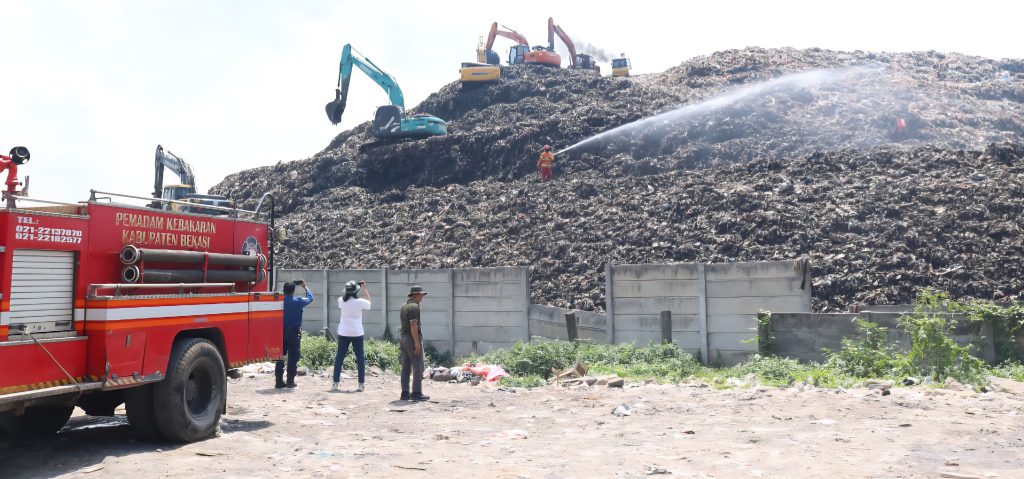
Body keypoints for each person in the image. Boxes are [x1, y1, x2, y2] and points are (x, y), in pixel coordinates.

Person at [332, 280, 371, 392]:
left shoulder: (341, 300)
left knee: (339, 357)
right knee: (360, 358)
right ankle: (361, 384)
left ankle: (335, 383)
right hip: (357, 332)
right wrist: (365, 289)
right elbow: (369, 303)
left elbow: (345, 298)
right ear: (356, 291)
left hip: (344, 332)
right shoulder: (360, 302)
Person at [276, 280, 313, 389]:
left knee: (280, 357)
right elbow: (310, 298)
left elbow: (283, 292)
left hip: (280, 332)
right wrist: (305, 287)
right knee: (293, 358)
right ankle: (290, 382)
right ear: (293, 291)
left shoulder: (279, 300)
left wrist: (291, 284)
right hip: (293, 333)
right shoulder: (299, 301)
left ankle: (278, 382)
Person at [399, 285, 430, 401]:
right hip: (411, 339)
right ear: (416, 295)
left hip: (403, 338)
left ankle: (405, 393)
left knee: (406, 367)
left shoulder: (404, 306)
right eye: (421, 295)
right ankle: (417, 393)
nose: (422, 297)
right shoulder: (414, 307)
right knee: (418, 366)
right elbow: (413, 326)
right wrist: (417, 343)